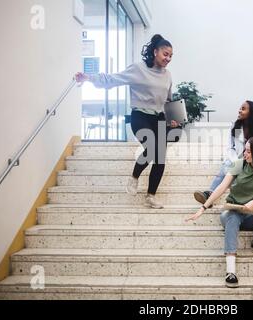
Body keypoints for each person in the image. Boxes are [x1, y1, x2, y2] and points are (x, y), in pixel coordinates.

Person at [75, 34, 179, 209]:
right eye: (165, 54)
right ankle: (134, 176)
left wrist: (173, 119)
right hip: (140, 117)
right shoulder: (138, 69)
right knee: (152, 149)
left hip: (159, 118)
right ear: (155, 52)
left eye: (170, 56)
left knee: (160, 159)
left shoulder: (167, 75)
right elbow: (113, 78)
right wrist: (89, 78)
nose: (168, 58)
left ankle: (151, 196)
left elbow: (168, 100)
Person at [186, 136, 253, 288]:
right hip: (234, 212)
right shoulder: (239, 164)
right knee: (231, 216)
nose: (245, 153)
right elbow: (222, 187)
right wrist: (203, 207)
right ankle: (231, 271)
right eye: (245, 149)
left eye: (249, 151)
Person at [193, 100, 253, 206]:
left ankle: (209, 195)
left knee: (230, 168)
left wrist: (248, 159)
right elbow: (230, 147)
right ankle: (209, 194)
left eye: (243, 109)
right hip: (238, 160)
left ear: (252, 112)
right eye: (240, 108)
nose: (239, 111)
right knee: (227, 165)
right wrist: (235, 160)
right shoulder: (234, 126)